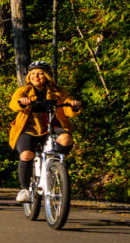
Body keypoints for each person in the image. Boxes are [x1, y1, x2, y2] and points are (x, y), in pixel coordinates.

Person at [8, 60, 83, 193]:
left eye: (40, 73)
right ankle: (25, 189)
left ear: (47, 76)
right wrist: (22, 102)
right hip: (28, 130)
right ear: (29, 76)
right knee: (26, 155)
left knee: (66, 139)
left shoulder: (58, 92)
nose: (36, 77)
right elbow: (14, 104)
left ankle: (55, 164)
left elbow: (67, 107)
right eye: (33, 74)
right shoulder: (23, 91)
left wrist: (73, 106)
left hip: (52, 128)